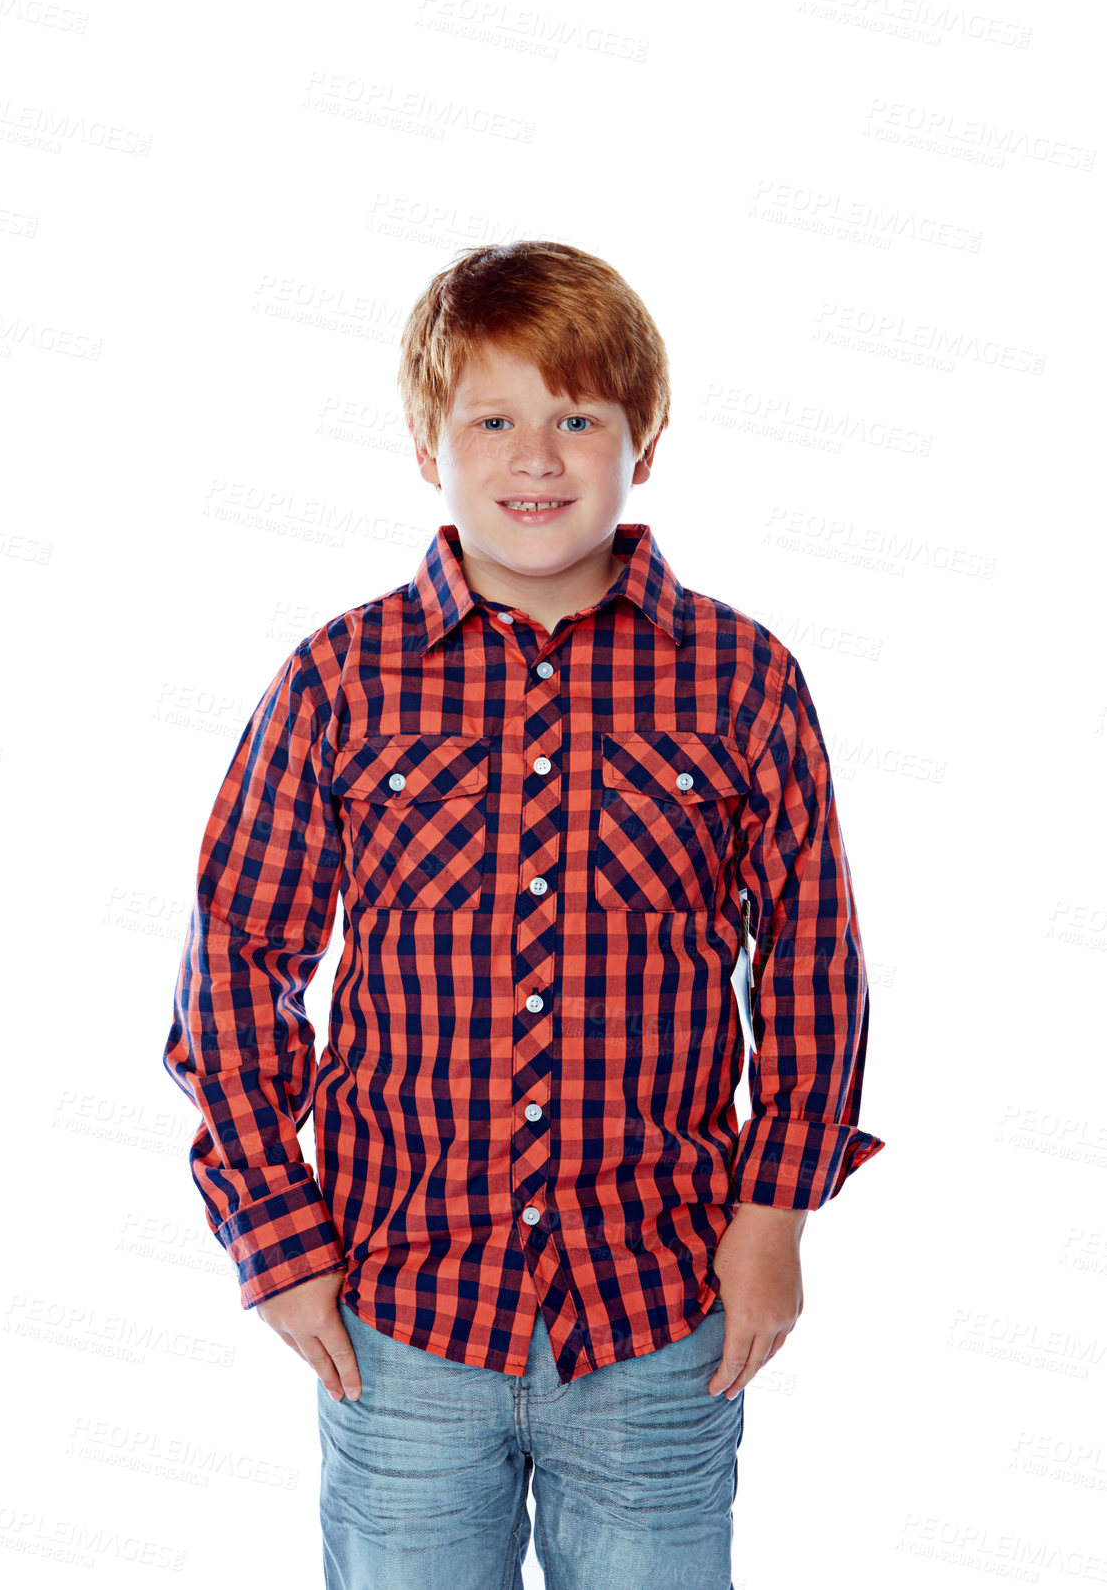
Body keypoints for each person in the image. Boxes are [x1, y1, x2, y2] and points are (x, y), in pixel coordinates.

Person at [163, 240, 884, 1589]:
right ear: (428, 444)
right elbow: (237, 962)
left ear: (642, 444)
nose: (535, 456)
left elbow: (806, 962)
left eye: (577, 418)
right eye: (491, 418)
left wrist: (774, 1219)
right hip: (400, 1320)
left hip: (661, 1314)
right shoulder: (338, 680)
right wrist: (275, 1238)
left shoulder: (740, 677)